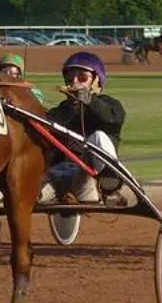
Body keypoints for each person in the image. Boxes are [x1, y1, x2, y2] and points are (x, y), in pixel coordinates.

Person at [46, 50, 127, 204]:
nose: (75, 83)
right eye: (70, 79)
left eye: (82, 78)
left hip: (92, 175)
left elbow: (113, 119)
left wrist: (90, 101)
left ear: (97, 81)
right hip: (62, 174)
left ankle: (109, 186)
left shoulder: (109, 104)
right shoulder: (60, 110)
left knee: (98, 137)